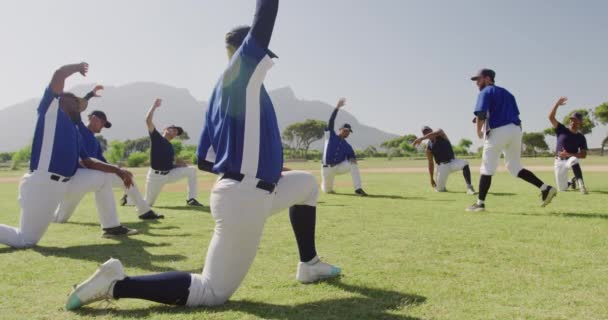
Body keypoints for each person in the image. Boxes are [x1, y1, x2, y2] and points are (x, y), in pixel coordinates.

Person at [66, 0, 340, 310]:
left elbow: (205, 160)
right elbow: (265, 18)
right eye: (263, 51)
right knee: (212, 292)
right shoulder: (243, 72)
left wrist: (262, 168)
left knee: (305, 185)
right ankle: (117, 284)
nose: (267, 59)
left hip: (248, 190)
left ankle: (310, 263)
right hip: (245, 197)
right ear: (245, 50)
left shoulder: (219, 93)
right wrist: (250, 175)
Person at [0, 62, 139, 248]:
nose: (78, 106)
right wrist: (77, 68)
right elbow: (58, 74)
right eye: (75, 101)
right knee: (25, 240)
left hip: (69, 181)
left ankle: (111, 227)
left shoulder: (75, 132)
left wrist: (118, 170)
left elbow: (88, 162)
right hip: (43, 185)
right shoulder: (50, 110)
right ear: (61, 101)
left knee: (103, 178)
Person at [53, 85, 164, 224]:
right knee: (59, 219)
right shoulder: (79, 127)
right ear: (93, 119)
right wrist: (90, 95)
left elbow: (102, 162)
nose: (102, 126)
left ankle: (144, 211)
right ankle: (47, 218)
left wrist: (119, 169)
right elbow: (77, 108)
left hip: (91, 177)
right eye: (102, 122)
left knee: (124, 177)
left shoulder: (96, 142)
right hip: (76, 177)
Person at [466, 69, 557, 212]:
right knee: (514, 167)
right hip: (515, 130)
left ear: (488, 78)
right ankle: (545, 188)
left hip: (498, 130)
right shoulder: (508, 93)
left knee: (487, 167)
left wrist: (478, 130)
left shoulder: (485, 92)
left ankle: (480, 204)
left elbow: (481, 113)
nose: (477, 83)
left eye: (479, 79)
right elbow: (509, 113)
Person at [124, 98, 203, 207]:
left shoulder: (170, 146)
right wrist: (154, 106)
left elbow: (167, 165)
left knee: (191, 171)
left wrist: (178, 165)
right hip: (155, 177)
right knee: (148, 203)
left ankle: (191, 199)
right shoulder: (157, 138)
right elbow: (147, 120)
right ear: (165, 129)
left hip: (169, 175)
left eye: (177, 132)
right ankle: (129, 199)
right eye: (173, 129)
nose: (175, 132)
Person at [320, 98, 367, 196]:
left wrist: (352, 159)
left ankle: (358, 189)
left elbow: (352, 157)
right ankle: (324, 185)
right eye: (345, 130)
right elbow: (331, 121)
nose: (347, 132)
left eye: (349, 131)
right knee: (328, 190)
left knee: (353, 164)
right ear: (340, 129)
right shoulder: (330, 135)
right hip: (326, 169)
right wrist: (337, 107)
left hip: (338, 167)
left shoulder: (347, 146)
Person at [413, 126, 476, 194]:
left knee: (465, 163)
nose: (427, 132)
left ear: (432, 130)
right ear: (424, 134)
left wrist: (421, 139)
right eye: (425, 132)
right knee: (440, 190)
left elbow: (436, 133)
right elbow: (430, 163)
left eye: (428, 130)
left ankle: (469, 187)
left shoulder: (440, 133)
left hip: (452, 162)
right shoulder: (429, 147)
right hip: (442, 167)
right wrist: (431, 178)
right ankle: (441, 186)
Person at [548, 97, 589, 194]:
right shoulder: (562, 130)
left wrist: (569, 154)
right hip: (558, 162)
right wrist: (557, 104)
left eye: (575, 120)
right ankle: (572, 181)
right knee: (562, 189)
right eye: (571, 119)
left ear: (580, 122)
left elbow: (583, 155)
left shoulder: (581, 137)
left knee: (574, 160)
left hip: (570, 160)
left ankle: (581, 185)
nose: (572, 121)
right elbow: (551, 117)